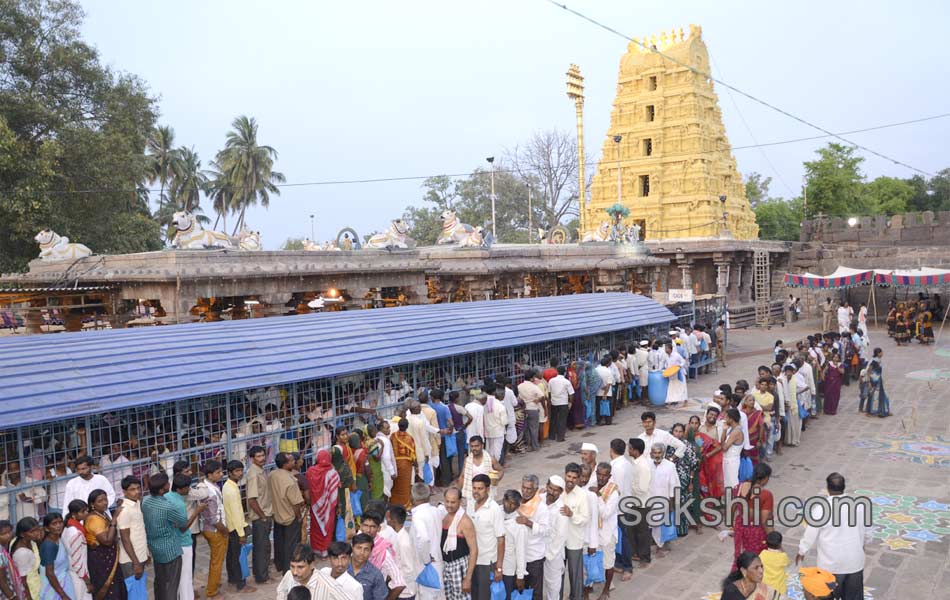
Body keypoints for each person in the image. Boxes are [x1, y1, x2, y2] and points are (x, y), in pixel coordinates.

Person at [797, 473, 871, 600]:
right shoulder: (859, 506)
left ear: (827, 488)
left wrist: (802, 551)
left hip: (830, 566)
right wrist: (862, 546)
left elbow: (810, 533)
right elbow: (868, 532)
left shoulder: (821, 509)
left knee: (827, 596)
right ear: (844, 487)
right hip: (854, 563)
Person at [140, 473, 188, 600]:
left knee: (160, 582)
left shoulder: (145, 500)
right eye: (167, 483)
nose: (169, 484)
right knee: (171, 584)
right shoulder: (168, 507)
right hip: (171, 549)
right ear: (162, 489)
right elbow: (183, 522)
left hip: (155, 547)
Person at [167, 474, 208, 600]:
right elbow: (183, 527)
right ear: (179, 489)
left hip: (172, 541)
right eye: (187, 488)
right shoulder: (179, 503)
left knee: (176, 576)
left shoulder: (167, 497)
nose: (189, 490)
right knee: (186, 576)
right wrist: (197, 511)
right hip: (183, 542)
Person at [84, 490, 126, 600]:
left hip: (108, 558)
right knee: (108, 590)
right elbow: (107, 541)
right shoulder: (94, 519)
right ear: (92, 505)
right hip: (101, 560)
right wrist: (114, 518)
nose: (104, 503)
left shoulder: (101, 514)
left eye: (105, 499)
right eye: (100, 501)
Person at [730, 463, 773, 569]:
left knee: (740, 557)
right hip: (756, 532)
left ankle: (737, 578)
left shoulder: (738, 487)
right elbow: (764, 519)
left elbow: (732, 507)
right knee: (755, 559)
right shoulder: (766, 495)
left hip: (740, 527)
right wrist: (772, 538)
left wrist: (732, 525)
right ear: (765, 478)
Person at [276, 543, 354, 600]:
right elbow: (281, 591)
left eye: (300, 567)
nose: (295, 572)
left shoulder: (330, 587)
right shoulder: (289, 575)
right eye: (292, 566)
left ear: (312, 565)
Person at [270, 452, 307, 573]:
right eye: (291, 461)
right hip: (290, 516)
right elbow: (296, 503)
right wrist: (299, 517)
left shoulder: (272, 475)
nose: (294, 462)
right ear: (285, 464)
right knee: (291, 545)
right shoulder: (291, 481)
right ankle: (288, 569)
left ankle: (279, 564)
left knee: (279, 542)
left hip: (277, 515)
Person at [469, 474, 504, 600]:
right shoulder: (470, 504)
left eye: (480, 488)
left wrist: (499, 568)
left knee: (484, 597)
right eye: (474, 488)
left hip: (486, 562)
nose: (476, 492)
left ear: (488, 489)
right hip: (471, 561)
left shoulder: (494, 509)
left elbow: (501, 540)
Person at [408, 484, 445, 600]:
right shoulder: (435, 511)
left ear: (412, 498)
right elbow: (442, 509)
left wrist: (426, 560)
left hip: (426, 568)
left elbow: (423, 538)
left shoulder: (418, 516)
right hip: (436, 564)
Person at [440, 488, 477, 600]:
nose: (449, 505)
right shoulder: (444, 516)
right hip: (445, 566)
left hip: (459, 567)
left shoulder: (465, 521)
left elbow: (474, 550)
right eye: (447, 501)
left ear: (460, 502)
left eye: (453, 502)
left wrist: (468, 578)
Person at [591, 463, 619, 600]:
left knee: (608, 563)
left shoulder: (613, 491)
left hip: (607, 533)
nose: (601, 478)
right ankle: (590, 585)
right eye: (599, 474)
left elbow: (606, 514)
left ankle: (606, 589)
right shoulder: (593, 484)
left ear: (609, 476)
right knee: (593, 560)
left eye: (604, 475)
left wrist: (597, 497)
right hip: (594, 532)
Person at [244, 445, 273, 584]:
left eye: (263, 455)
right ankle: (261, 577)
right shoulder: (253, 474)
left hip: (266, 513)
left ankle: (262, 573)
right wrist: (263, 516)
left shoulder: (261, 471)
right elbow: (252, 500)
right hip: (261, 516)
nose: (262, 459)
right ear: (252, 458)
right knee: (261, 548)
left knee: (264, 546)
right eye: (258, 456)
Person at [561, 464, 589, 600]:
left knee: (575, 575)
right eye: (569, 476)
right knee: (557, 574)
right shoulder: (558, 489)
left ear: (578, 480)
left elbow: (585, 519)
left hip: (574, 541)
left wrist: (572, 514)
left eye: (574, 478)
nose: (570, 480)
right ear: (564, 475)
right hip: (558, 542)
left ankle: (576, 597)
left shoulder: (582, 495)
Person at [306, 448, 340, 557]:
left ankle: (316, 548)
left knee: (316, 527)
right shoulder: (333, 472)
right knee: (327, 526)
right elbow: (335, 491)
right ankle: (325, 550)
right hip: (329, 506)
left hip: (314, 504)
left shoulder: (311, 471)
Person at [669, 424, 701, 537]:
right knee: (670, 504)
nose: (678, 433)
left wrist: (691, 481)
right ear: (672, 432)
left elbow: (693, 465)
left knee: (682, 503)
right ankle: (670, 531)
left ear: (683, 433)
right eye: (675, 431)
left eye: (680, 431)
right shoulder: (668, 445)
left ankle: (682, 530)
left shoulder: (687, 445)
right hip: (669, 480)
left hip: (684, 480)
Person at [457, 437, 503, 513]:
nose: (474, 448)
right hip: (472, 493)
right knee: (472, 516)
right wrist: (458, 493)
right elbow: (462, 476)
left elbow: (501, 470)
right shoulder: (467, 460)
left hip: (487, 493)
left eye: (476, 446)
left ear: (482, 445)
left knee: (488, 514)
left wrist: (496, 479)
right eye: (472, 446)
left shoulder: (491, 459)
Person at [386, 505, 420, 600]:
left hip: (404, 592)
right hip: (397, 586)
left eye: (387, 519)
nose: (386, 522)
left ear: (393, 521)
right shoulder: (397, 537)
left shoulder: (404, 543)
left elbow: (408, 570)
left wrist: (396, 587)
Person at [541, 476, 566, 600]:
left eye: (556, 490)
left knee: (553, 586)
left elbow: (560, 537)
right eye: (550, 488)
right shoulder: (539, 499)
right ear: (546, 486)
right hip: (537, 550)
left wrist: (549, 554)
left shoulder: (561, 509)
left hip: (553, 554)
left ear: (561, 492)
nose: (551, 492)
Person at [499, 490, 527, 598]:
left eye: (514, 504)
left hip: (508, 570)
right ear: (503, 500)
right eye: (508, 502)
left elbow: (521, 552)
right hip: (493, 565)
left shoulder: (519, 525)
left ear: (517, 506)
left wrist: (520, 576)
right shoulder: (496, 512)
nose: (510, 506)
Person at [39, 513, 74, 600]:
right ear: (47, 528)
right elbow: (49, 573)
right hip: (54, 587)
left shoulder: (58, 539)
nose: (58, 526)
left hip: (63, 582)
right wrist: (63, 595)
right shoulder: (49, 545)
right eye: (54, 524)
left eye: (60, 522)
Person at [62, 502, 92, 600]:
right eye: (83, 512)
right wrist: (87, 581)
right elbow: (77, 561)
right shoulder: (75, 533)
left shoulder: (68, 527)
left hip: (76, 572)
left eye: (87, 510)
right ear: (74, 515)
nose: (86, 513)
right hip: (79, 575)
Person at [348, 534, 388, 600]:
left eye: (366, 549)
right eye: (359, 548)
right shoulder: (341, 567)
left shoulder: (376, 575)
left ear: (370, 551)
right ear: (352, 548)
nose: (362, 552)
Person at [13, 517, 43, 600]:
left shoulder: (30, 541)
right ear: (22, 534)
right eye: (32, 531)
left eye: (37, 529)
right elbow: (22, 581)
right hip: (30, 589)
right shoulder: (22, 553)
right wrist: (29, 597)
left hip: (36, 585)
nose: (37, 533)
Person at [390, 419, 417, 507]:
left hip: (395, 464)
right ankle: (405, 505)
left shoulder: (393, 436)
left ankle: (394, 503)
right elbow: (413, 454)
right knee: (405, 486)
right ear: (407, 426)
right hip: (406, 465)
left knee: (396, 485)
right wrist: (416, 465)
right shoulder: (410, 438)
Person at [517, 370, 545, 452]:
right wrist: (538, 400)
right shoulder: (534, 387)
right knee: (534, 428)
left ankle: (528, 445)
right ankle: (535, 446)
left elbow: (519, 397)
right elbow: (542, 396)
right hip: (533, 408)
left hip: (524, 409)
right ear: (531, 378)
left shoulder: (519, 386)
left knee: (526, 429)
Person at [546, 367, 574, 443]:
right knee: (562, 420)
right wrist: (570, 403)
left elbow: (549, 392)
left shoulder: (551, 381)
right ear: (564, 373)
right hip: (563, 402)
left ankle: (551, 436)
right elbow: (571, 394)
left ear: (557, 372)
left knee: (553, 419)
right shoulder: (566, 381)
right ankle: (560, 437)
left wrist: (550, 400)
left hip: (554, 402)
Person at [721, 409, 744, 490]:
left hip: (731, 462)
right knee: (726, 484)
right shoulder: (732, 429)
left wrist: (724, 430)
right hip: (728, 460)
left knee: (731, 484)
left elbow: (724, 448)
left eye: (726, 418)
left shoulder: (736, 432)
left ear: (731, 419)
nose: (725, 419)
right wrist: (725, 430)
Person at [759, 531, 788, 597]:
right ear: (780, 544)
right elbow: (787, 563)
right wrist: (782, 549)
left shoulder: (763, 553)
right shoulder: (783, 556)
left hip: (765, 584)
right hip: (778, 587)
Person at [866, 348, 890, 418]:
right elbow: (869, 371)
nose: (882, 353)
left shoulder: (879, 360)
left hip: (879, 380)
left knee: (882, 395)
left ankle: (882, 410)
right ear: (878, 353)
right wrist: (869, 382)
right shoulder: (873, 361)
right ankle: (870, 411)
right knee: (872, 396)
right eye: (881, 352)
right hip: (873, 381)